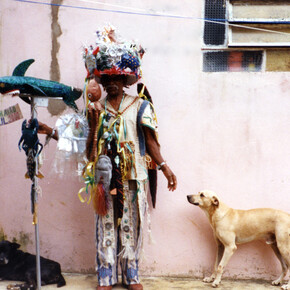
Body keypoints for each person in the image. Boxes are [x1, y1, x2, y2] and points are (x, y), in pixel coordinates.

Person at [82, 26, 177, 290]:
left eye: (117, 77)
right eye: (107, 77)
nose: (112, 82)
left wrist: (165, 168)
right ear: (101, 81)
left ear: (127, 80)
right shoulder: (95, 110)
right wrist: (93, 124)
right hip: (103, 177)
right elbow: (88, 148)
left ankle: (132, 274)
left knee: (130, 225)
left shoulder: (140, 105)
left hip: (134, 175)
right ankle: (105, 275)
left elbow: (150, 141)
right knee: (106, 225)